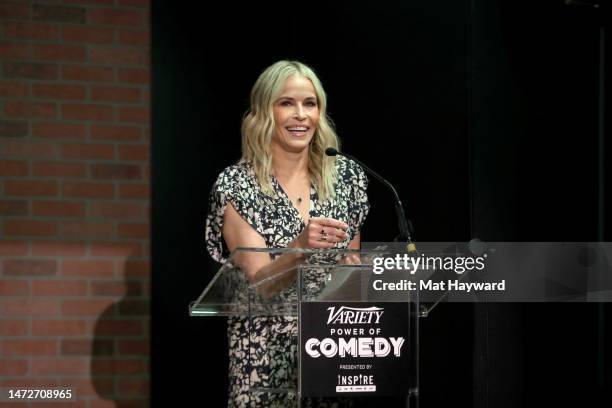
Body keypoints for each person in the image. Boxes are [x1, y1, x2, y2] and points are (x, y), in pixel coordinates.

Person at [205, 60, 370, 407]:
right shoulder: (238, 185)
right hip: (265, 361)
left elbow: (348, 267)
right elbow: (261, 283)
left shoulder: (347, 178)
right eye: (286, 103)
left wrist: (353, 272)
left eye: (310, 103)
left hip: (329, 351)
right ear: (265, 111)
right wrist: (299, 247)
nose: (301, 115)